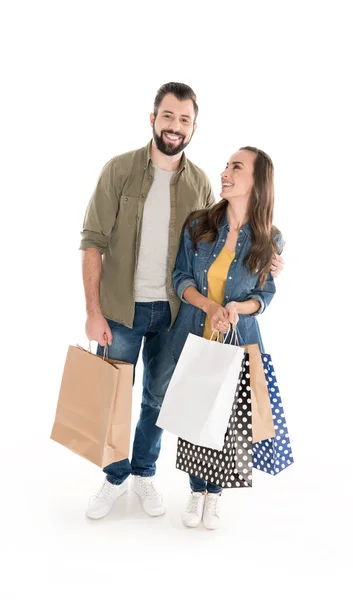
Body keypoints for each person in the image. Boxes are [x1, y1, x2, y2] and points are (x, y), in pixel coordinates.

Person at [80, 82, 284, 520]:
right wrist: (93, 311)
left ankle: (143, 474)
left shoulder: (199, 184)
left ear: (193, 127)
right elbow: (92, 241)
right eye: (168, 116)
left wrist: (269, 260)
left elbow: (221, 247)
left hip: (173, 314)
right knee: (113, 396)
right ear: (153, 119)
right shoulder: (118, 171)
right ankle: (113, 479)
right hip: (121, 308)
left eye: (184, 120)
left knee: (157, 398)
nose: (175, 126)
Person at [168, 145, 283, 530]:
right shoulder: (199, 224)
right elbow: (180, 278)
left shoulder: (270, 239)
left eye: (237, 166)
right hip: (194, 333)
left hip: (240, 339)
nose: (226, 171)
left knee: (226, 420)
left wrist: (237, 308)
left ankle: (213, 495)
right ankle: (195, 490)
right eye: (226, 165)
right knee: (194, 414)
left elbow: (264, 297)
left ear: (256, 181)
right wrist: (208, 306)